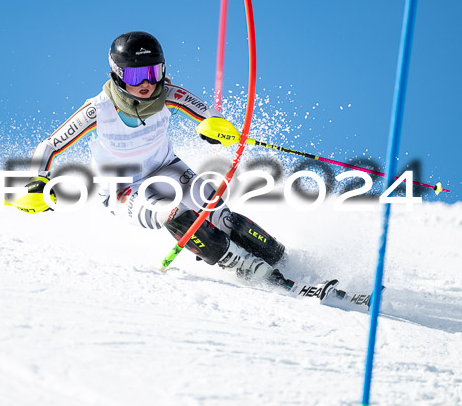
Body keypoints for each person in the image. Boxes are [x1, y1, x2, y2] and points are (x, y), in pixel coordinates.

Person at [17, 31, 291, 286]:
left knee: (223, 218)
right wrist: (36, 181)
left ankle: (283, 261)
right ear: (118, 75)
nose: (147, 83)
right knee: (176, 215)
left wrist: (219, 128)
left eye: (153, 72)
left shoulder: (168, 94)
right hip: (123, 189)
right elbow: (51, 145)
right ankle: (251, 270)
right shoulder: (99, 109)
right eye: (136, 76)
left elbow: (209, 115)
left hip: (168, 170)